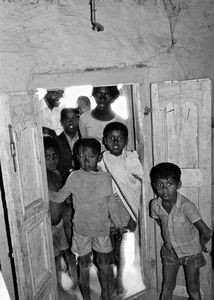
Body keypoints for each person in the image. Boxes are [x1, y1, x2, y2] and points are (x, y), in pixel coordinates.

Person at [49, 138, 123, 300]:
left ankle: (105, 295)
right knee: (83, 265)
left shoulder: (105, 178)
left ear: (99, 157)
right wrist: (41, 191)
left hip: (101, 230)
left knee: (104, 265)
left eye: (91, 156)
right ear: (76, 157)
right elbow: (60, 197)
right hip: (81, 230)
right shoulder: (74, 177)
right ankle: (87, 297)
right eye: (82, 156)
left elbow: (111, 203)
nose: (86, 160)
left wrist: (118, 224)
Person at [149, 162, 212, 300]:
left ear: (178, 185)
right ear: (154, 185)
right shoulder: (155, 205)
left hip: (191, 253)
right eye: (159, 185)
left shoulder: (186, 206)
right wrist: (169, 237)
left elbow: (207, 232)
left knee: (193, 290)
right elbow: (159, 221)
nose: (164, 189)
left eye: (169, 184)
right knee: (167, 288)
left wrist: (200, 245)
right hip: (170, 252)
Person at [99, 122, 144, 296]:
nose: (116, 141)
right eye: (111, 138)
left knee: (124, 248)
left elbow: (137, 186)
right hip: (107, 209)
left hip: (127, 209)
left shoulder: (131, 158)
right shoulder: (102, 160)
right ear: (104, 140)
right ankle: (109, 281)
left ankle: (121, 280)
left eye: (120, 138)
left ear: (126, 140)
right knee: (107, 249)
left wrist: (134, 214)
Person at [43, 136, 77, 295]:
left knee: (69, 252)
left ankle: (75, 282)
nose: (52, 160)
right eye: (47, 157)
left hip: (60, 224)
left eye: (54, 156)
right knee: (54, 258)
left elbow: (61, 197)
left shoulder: (57, 174)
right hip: (49, 227)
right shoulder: (41, 178)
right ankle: (59, 288)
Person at [55, 108, 80, 184]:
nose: (71, 122)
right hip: (62, 182)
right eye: (67, 119)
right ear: (62, 122)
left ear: (78, 120)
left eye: (73, 118)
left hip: (81, 182)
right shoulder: (56, 141)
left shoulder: (83, 140)